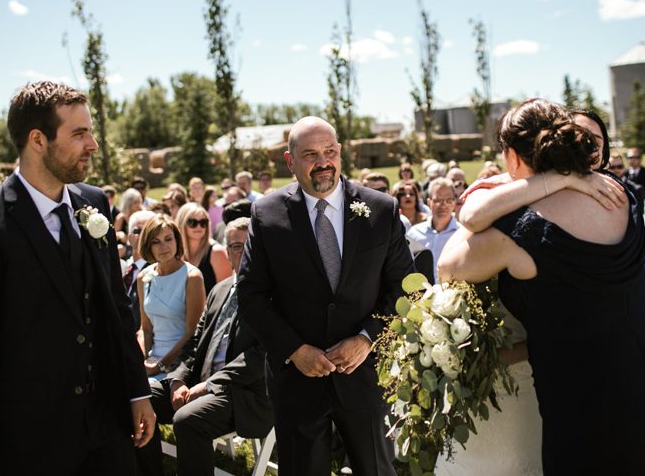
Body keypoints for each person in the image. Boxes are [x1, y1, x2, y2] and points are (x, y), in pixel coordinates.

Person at [439, 98, 645, 475]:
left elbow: (448, 267)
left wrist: (516, 185)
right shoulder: (616, 192)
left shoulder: (517, 231)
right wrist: (558, 177)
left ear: (514, 156)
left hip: (585, 399)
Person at [0, 82, 155, 476]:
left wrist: (137, 389)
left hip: (107, 427)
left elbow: (115, 308)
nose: (92, 144)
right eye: (79, 134)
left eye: (89, 132)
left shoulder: (94, 204)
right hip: (33, 441)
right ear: (37, 140)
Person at [238, 116, 414, 476]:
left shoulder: (381, 209)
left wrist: (367, 339)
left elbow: (403, 287)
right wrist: (295, 351)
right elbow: (251, 296)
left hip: (365, 375)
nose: (323, 162)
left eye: (329, 152)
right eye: (310, 154)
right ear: (290, 161)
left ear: (341, 153)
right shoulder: (266, 214)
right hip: (298, 380)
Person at [136, 217, 274, 476]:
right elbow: (194, 343)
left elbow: (260, 357)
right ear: (227, 252)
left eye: (249, 245)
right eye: (234, 246)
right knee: (140, 399)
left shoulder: (275, 295)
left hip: (243, 393)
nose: (242, 252)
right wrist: (177, 379)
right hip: (200, 384)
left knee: (188, 420)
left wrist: (211, 384)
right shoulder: (219, 290)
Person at [136, 214, 206, 383]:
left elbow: (193, 333)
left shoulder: (192, 277)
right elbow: (145, 328)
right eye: (156, 241)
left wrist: (160, 365)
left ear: (177, 241)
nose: (164, 247)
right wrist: (142, 360)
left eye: (168, 239)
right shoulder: (143, 277)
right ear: (148, 245)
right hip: (152, 362)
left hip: (180, 364)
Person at [406, 177, 459, 283]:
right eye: (437, 200)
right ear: (429, 202)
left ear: (454, 202)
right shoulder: (414, 233)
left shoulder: (462, 234)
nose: (443, 205)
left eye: (448, 200)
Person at [176, 202, 233, 295]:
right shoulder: (175, 252)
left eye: (203, 222)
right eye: (192, 222)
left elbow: (225, 295)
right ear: (182, 223)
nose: (199, 226)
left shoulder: (217, 252)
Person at [124, 209, 156, 333]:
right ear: (128, 236)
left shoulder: (158, 272)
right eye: (138, 231)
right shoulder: (120, 266)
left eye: (148, 231)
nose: (143, 236)